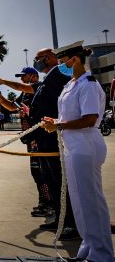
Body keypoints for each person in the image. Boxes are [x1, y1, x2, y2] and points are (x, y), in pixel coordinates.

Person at [0, 48, 78, 240]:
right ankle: (60, 217)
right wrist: (1, 99)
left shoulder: (56, 76)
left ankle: (70, 223)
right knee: (50, 179)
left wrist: (3, 81)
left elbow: (25, 88)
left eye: (38, 59)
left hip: (52, 138)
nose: (36, 62)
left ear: (48, 59)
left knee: (60, 181)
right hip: (41, 139)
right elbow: (18, 104)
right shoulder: (46, 81)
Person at [41, 41, 113, 262]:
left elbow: (90, 119)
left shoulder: (88, 84)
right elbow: (69, 116)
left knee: (91, 201)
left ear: (74, 59)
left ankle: (102, 254)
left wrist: (59, 126)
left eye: (63, 61)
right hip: (72, 147)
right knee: (79, 202)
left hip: (86, 146)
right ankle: (89, 246)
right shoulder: (71, 84)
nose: (61, 65)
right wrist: (56, 121)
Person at [0, 67, 52, 218]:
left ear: (33, 76)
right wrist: (0, 99)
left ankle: (49, 203)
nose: (21, 79)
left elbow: (21, 86)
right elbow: (12, 106)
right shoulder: (25, 94)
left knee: (43, 171)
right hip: (31, 137)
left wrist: (3, 81)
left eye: (23, 76)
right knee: (36, 172)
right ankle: (44, 201)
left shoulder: (39, 87)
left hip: (42, 137)